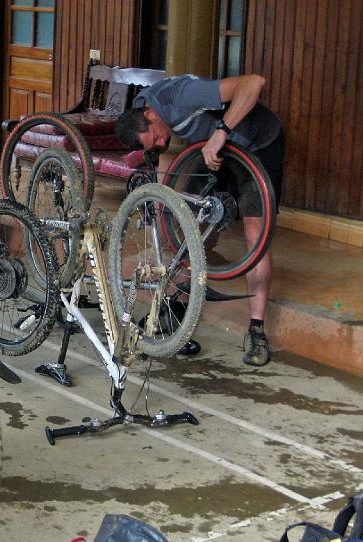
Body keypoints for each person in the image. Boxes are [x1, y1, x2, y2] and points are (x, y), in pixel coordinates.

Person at [115, 74, 284, 367]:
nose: (161, 142)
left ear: (151, 114)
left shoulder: (181, 97)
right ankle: (177, 307)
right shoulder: (143, 110)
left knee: (255, 235)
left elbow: (255, 83)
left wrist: (221, 131)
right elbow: (162, 161)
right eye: (153, 144)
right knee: (190, 224)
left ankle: (257, 331)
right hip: (215, 150)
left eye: (157, 137)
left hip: (256, 143)